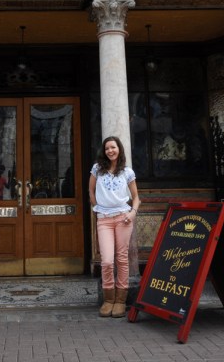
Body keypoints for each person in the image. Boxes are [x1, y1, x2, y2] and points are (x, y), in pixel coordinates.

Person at [89, 136, 141, 318]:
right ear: (104, 151)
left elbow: (136, 197)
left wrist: (132, 213)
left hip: (123, 219)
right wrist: (96, 207)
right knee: (107, 261)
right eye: (107, 148)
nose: (110, 151)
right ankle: (108, 298)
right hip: (104, 220)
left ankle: (120, 300)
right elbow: (91, 190)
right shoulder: (97, 169)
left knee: (121, 259)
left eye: (113, 147)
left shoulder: (127, 172)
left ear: (119, 149)